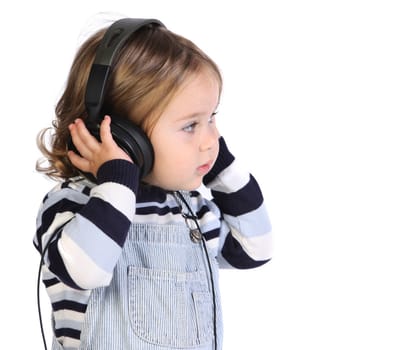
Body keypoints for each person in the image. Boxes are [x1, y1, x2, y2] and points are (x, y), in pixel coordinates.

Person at [34, 17, 273, 350]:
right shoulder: (72, 204)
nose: (210, 139)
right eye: (191, 125)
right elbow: (85, 270)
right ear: (124, 137)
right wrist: (118, 177)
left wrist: (221, 165)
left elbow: (255, 249)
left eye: (212, 118)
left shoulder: (189, 210)